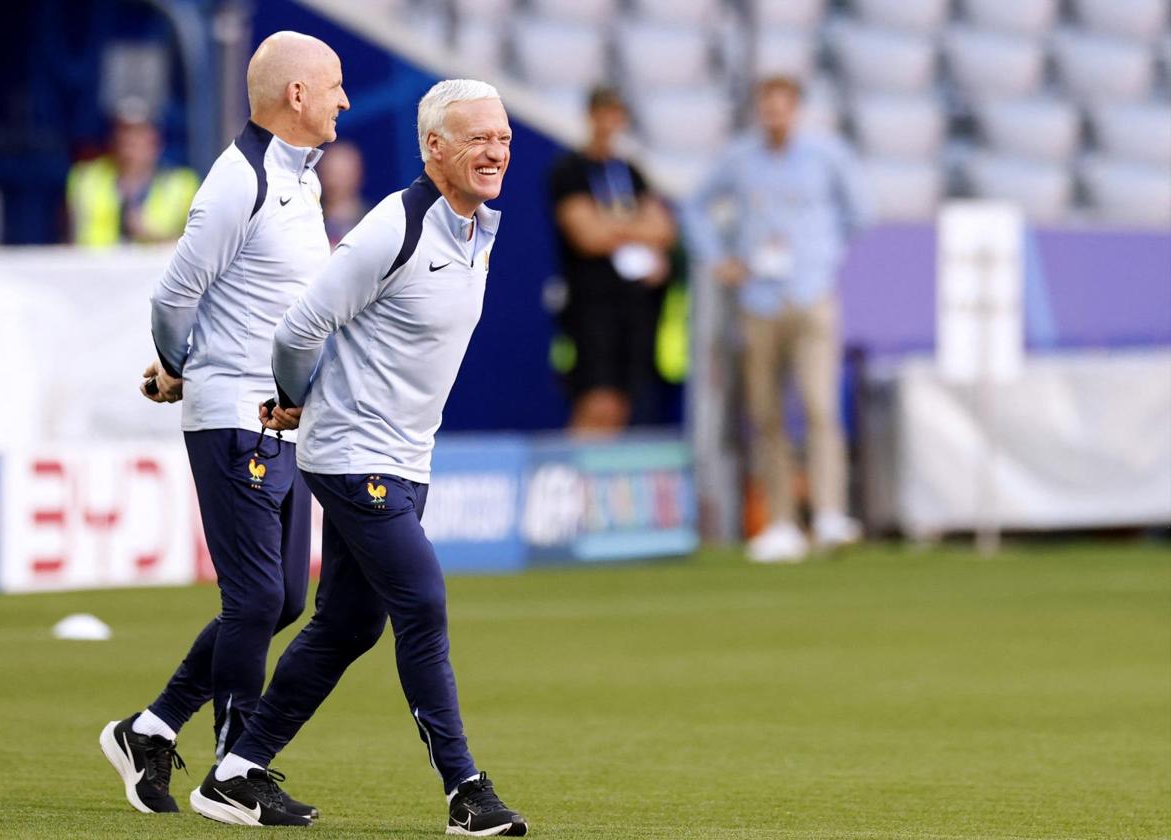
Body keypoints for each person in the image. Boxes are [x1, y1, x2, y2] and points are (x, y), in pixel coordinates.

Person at [186, 78, 528, 836]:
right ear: (434, 148)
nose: (496, 151)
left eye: (503, 137)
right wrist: (294, 398)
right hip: (351, 454)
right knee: (422, 601)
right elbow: (298, 329)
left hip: (407, 459)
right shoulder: (392, 229)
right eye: (478, 138)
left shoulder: (478, 231)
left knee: (347, 626)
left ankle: (236, 772)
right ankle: (466, 792)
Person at [98, 31, 349, 817]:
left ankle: (152, 728)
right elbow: (174, 295)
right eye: (334, 85)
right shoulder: (236, 182)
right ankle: (232, 774)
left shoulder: (297, 180)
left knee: (282, 603)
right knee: (251, 602)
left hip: (279, 415)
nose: (344, 98)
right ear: (297, 97)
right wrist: (175, 366)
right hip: (233, 413)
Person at [683, 75, 872, 563]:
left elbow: (858, 213)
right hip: (758, 298)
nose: (775, 117)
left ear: (797, 110)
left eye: (783, 108)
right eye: (767, 108)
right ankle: (783, 521)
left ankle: (829, 512)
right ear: (759, 112)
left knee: (819, 406)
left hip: (810, 295)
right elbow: (695, 207)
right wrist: (718, 258)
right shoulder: (740, 159)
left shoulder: (826, 156)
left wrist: (823, 258)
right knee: (766, 414)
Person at [548, 85, 678, 433]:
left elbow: (664, 230)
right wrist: (637, 227)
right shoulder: (570, 170)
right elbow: (587, 236)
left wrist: (612, 225)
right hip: (591, 306)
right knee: (596, 401)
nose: (610, 123)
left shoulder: (630, 172)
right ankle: (571, 483)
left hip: (633, 304)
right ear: (590, 117)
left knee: (622, 403)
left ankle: (596, 484)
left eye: (616, 114)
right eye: (603, 114)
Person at [65, 98, 199, 246]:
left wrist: (153, 236)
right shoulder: (85, 178)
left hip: (157, 267)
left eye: (139, 134)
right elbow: (67, 238)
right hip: (94, 266)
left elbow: (198, 248)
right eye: (124, 133)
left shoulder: (182, 183)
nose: (130, 142)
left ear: (156, 141)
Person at [318, 139, 368, 245]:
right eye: (330, 173)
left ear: (357, 174)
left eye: (341, 174)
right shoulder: (310, 220)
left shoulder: (373, 220)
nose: (334, 181)